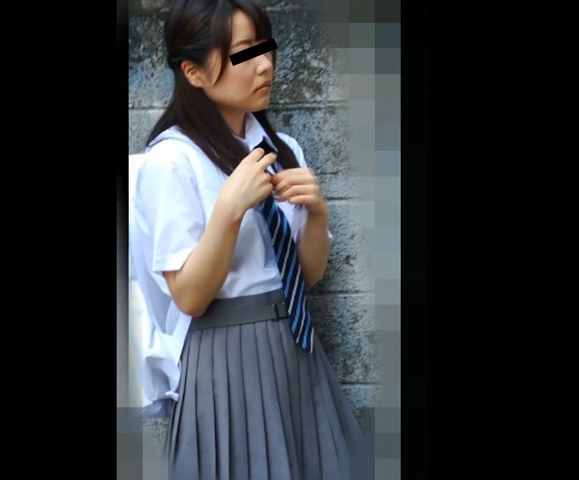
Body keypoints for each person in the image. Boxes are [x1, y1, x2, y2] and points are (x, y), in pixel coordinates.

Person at [130, 1, 373, 478]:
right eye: (243, 53)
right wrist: (228, 210)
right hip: (223, 359)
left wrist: (318, 212)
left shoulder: (283, 150)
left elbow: (309, 274)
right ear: (194, 72)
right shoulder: (172, 161)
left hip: (296, 349)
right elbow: (190, 297)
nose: (265, 65)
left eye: (265, 48)